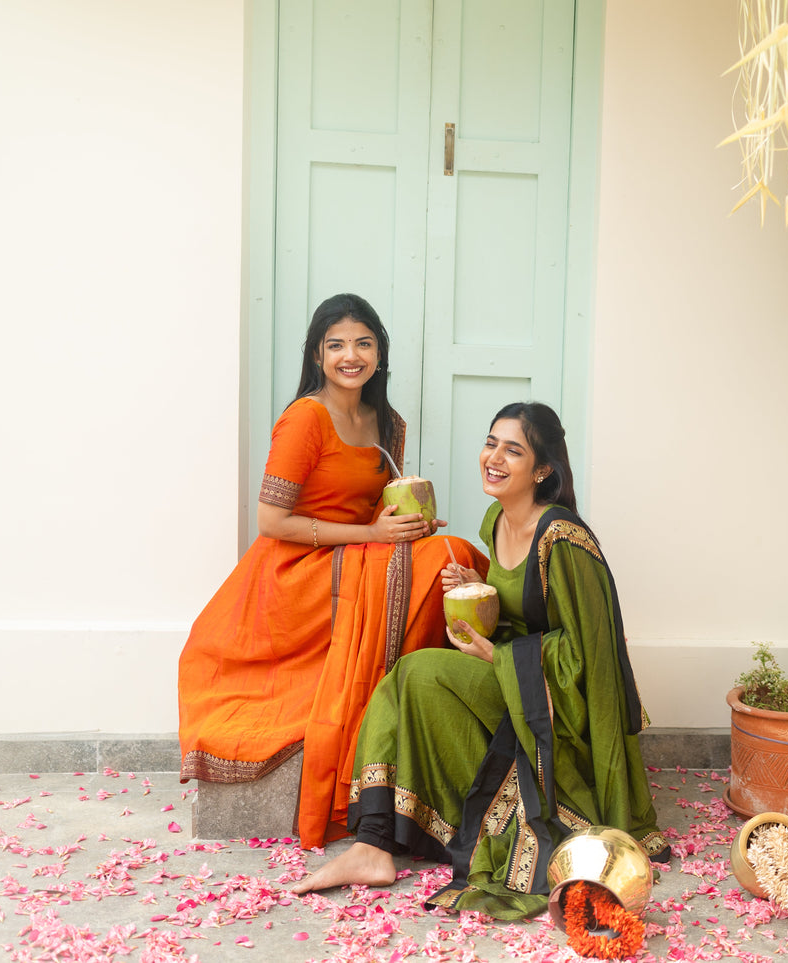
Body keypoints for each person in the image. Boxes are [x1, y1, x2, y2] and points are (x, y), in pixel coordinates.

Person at [290, 402, 669, 919]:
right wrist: (478, 591)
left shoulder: (564, 541)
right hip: (519, 685)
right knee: (411, 678)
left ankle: (373, 845)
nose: (494, 457)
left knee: (419, 673)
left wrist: (496, 653)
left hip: (563, 718)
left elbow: (592, 658)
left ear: (542, 470)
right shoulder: (496, 519)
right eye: (491, 443)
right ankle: (373, 846)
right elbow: (524, 615)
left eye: (513, 450)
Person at [177, 293, 486, 850]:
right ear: (317, 355)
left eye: (363, 343)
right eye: (337, 344)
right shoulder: (305, 419)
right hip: (299, 569)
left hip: (358, 559)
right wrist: (374, 536)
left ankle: (426, 724)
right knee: (444, 558)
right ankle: (384, 734)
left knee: (453, 554)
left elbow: (375, 510)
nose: (351, 356)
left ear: (379, 354)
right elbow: (272, 521)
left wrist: (405, 527)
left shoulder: (389, 424)